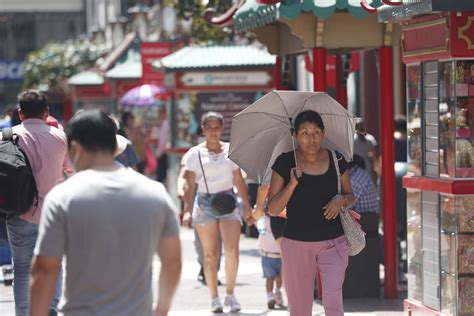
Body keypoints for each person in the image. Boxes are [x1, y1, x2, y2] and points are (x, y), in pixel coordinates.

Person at [29, 110, 182, 316]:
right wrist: (161, 310)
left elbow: (44, 271)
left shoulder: (63, 197)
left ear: (75, 149)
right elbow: (172, 262)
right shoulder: (155, 193)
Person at [267, 110, 355, 316]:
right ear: (295, 135)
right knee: (300, 307)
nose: (311, 138)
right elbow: (272, 208)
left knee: (333, 300)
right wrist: (292, 184)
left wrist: (340, 199)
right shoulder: (284, 162)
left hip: (333, 242)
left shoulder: (337, 160)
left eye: (316, 131)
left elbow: (350, 196)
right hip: (297, 242)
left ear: (323, 133)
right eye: (305, 133)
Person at [1, 90, 70, 316]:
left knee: (21, 268)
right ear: (46, 112)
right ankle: (50, 308)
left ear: (20, 114)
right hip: (53, 214)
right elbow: (72, 170)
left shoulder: (7, 137)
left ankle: (24, 313)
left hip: (18, 213)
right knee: (54, 264)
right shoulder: (60, 138)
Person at [181, 111, 253, 313]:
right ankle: (214, 298)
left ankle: (230, 295)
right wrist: (187, 211)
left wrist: (247, 208)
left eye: (217, 128)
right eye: (209, 128)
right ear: (203, 129)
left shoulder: (231, 151)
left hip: (228, 201)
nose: (213, 132)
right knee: (210, 254)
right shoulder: (194, 154)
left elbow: (239, 180)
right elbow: (189, 185)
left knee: (232, 252)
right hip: (204, 203)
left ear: (222, 129)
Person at [176, 162, 222, 285]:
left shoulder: (223, 153)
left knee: (217, 240)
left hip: (219, 203)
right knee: (200, 240)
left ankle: (212, 271)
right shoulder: (193, 154)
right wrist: (180, 191)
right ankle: (204, 266)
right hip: (199, 204)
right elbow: (183, 176)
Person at [255, 213, 285, 309]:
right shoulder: (262, 220)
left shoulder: (281, 219)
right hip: (266, 255)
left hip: (280, 255)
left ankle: (277, 292)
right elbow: (254, 220)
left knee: (279, 278)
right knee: (269, 278)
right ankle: (270, 297)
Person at [156, 107, 169, 183]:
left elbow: (163, 141)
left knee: (161, 177)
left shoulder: (165, 124)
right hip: (164, 153)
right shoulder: (165, 124)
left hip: (163, 154)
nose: (160, 115)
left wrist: (158, 154)